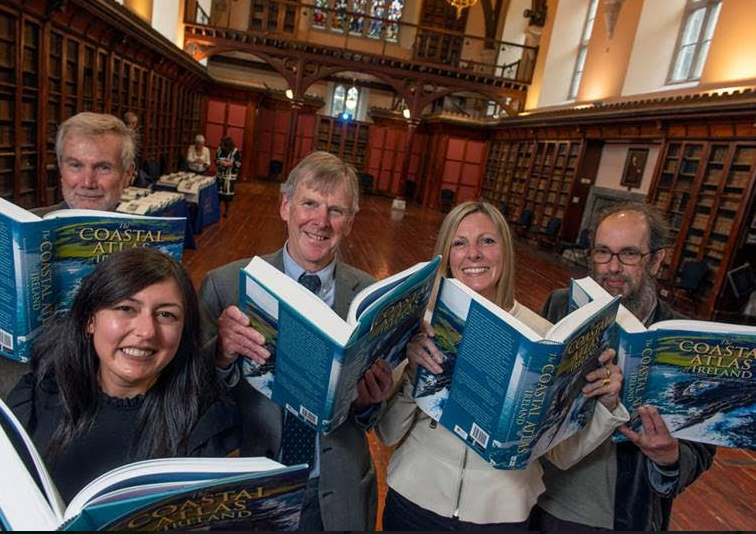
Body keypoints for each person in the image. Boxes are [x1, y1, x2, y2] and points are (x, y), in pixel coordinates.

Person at [376, 200, 630, 531]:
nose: (474, 254)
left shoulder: (543, 338)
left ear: (505, 252)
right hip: (415, 503)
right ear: (447, 256)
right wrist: (412, 372)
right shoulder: (423, 327)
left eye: (487, 241)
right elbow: (388, 432)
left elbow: (561, 454)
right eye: (459, 242)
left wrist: (607, 405)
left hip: (502, 515)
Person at [0, 247, 241, 530]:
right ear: (91, 320)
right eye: (126, 309)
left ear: (183, 332)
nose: (146, 332)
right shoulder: (38, 392)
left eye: (166, 315)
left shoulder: (209, 421)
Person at [198, 151, 394, 531]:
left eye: (336, 210)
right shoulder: (225, 285)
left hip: (336, 492)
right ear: (285, 206)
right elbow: (195, 400)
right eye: (309, 204)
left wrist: (371, 401)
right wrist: (220, 355)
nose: (320, 221)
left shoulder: (371, 297)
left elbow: (369, 419)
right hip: (251, 487)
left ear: (350, 223)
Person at [533, 202, 716, 531]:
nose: (612, 267)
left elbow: (699, 449)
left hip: (615, 518)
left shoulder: (684, 339)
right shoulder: (560, 304)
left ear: (657, 260)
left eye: (629, 254)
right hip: (537, 501)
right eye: (603, 252)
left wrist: (671, 456)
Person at [0, 112, 137, 403]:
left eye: (103, 167)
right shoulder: (12, 232)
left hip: (93, 409)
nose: (87, 181)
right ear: (61, 170)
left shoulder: (150, 251)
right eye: (75, 165)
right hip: (7, 398)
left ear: (128, 174)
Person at [215, 136, 242, 218]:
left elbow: (238, 163)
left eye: (223, 145)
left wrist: (230, 164)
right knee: (218, 194)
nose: (222, 146)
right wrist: (219, 162)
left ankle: (227, 210)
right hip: (220, 175)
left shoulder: (235, 151)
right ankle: (217, 210)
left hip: (229, 176)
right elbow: (215, 159)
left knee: (227, 195)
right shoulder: (219, 150)